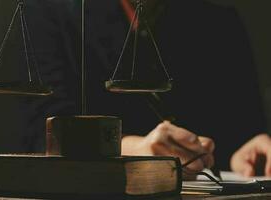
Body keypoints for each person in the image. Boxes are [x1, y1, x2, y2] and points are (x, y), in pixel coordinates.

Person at [22, 0, 267, 175]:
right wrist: (136, 149)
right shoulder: (51, 13)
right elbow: (44, 133)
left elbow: (241, 131)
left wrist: (246, 152)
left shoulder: (219, 23)